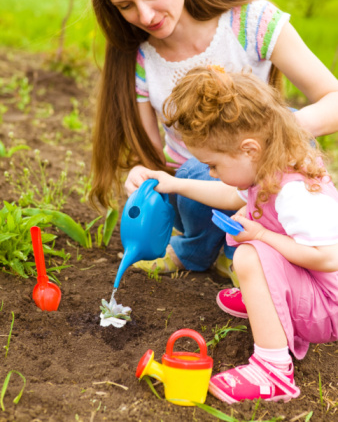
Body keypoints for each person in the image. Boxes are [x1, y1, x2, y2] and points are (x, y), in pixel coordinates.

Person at [88, 0, 338, 283]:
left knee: (286, 123)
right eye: (125, 6)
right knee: (194, 168)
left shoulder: (250, 22)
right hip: (195, 194)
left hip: (264, 178)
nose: (144, 15)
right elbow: (153, 155)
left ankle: (248, 252)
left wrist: (268, 136)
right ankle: (202, 247)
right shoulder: (139, 56)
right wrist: (143, 176)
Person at [139, 65, 338, 403]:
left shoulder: (295, 192)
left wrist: (260, 235)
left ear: (248, 150)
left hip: (328, 307)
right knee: (252, 246)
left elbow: (328, 257)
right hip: (317, 290)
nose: (211, 173)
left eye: (213, 165)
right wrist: (174, 183)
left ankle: (273, 371)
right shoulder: (268, 168)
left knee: (250, 254)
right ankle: (268, 301)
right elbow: (229, 195)